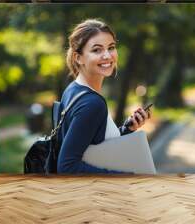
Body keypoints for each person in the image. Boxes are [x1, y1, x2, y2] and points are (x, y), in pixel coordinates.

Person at [57, 19, 151, 174]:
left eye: (111, 47)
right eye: (96, 50)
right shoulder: (92, 104)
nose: (107, 55)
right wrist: (126, 176)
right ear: (78, 58)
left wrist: (126, 129)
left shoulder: (73, 89)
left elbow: (92, 145)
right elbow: (67, 167)